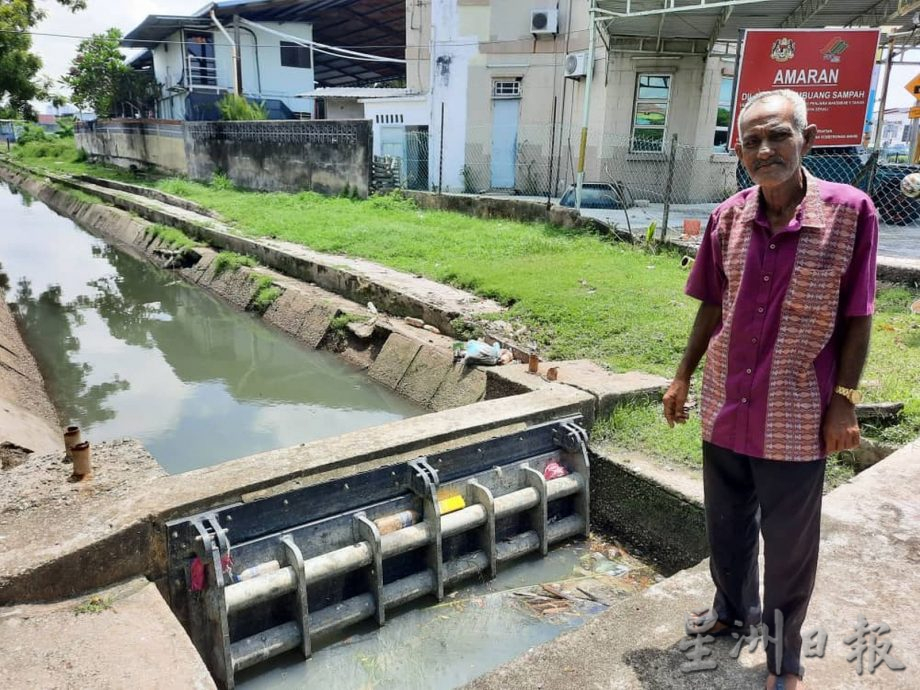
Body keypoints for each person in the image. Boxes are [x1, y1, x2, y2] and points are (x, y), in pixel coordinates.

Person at [663, 89, 878, 690]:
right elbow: (711, 305)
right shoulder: (727, 216)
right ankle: (732, 611)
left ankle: (785, 660)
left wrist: (844, 400)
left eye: (777, 135)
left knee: (789, 545)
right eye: (751, 140)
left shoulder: (851, 212)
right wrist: (682, 375)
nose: (764, 149)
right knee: (726, 523)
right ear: (739, 152)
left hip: (796, 409)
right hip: (726, 404)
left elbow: (858, 315)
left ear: (807, 140)